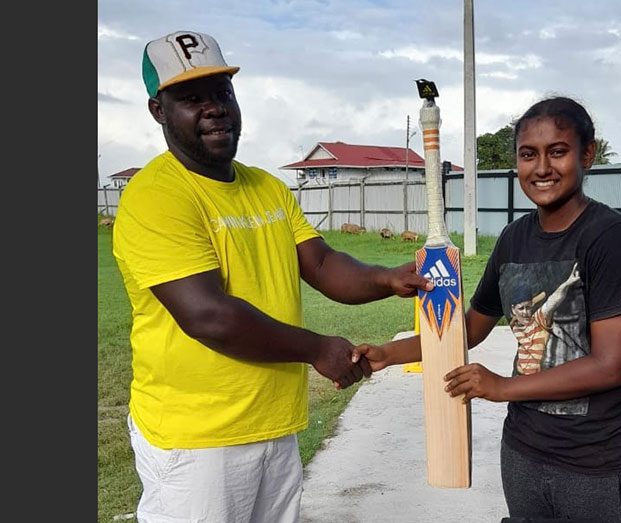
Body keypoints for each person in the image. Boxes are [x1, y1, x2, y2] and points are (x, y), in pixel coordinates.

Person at [112, 30, 433, 523]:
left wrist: (389, 278)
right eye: (192, 98)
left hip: (273, 423)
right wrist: (316, 349)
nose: (215, 108)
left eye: (222, 93)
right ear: (159, 111)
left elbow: (322, 265)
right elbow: (207, 316)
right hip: (196, 438)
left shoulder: (265, 186)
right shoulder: (156, 196)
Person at [354, 96, 621, 522]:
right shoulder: (514, 239)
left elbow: (610, 366)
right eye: (529, 154)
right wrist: (388, 353)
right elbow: (470, 329)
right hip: (524, 451)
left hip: (596, 462)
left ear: (588, 154)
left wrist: (501, 387)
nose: (542, 168)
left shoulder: (610, 239)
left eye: (558, 152)